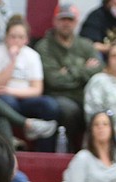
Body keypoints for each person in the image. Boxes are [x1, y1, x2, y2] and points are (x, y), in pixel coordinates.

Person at [0, 16, 59, 151]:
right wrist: (12, 60)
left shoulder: (32, 55)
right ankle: (12, 143)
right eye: (13, 36)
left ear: (26, 39)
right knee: (8, 102)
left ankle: (43, 153)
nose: (16, 41)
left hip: (24, 98)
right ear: (5, 37)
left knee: (51, 106)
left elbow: (37, 89)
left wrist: (10, 90)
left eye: (20, 37)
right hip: (2, 100)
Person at [34, 3, 102, 150]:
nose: (66, 23)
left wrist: (69, 71)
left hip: (85, 95)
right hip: (58, 95)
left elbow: (98, 71)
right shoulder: (44, 46)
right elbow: (53, 80)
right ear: (55, 21)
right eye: (62, 19)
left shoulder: (86, 45)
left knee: (101, 109)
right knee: (69, 110)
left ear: (76, 22)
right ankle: (70, 149)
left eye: (70, 20)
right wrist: (83, 69)